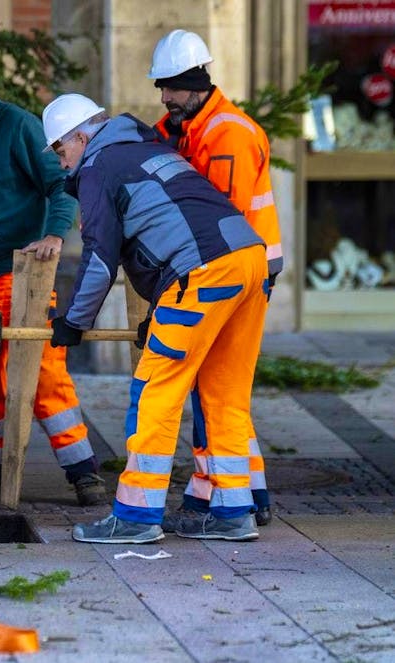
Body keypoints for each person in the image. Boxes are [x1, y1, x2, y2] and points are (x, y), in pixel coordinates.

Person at [41, 93, 268, 543]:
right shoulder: (147, 149)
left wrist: (73, 321)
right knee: (223, 393)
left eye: (60, 151)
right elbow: (172, 222)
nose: (61, 164)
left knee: (154, 392)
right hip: (248, 262)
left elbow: (100, 257)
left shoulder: (98, 167)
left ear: (82, 137)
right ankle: (232, 510)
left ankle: (135, 516)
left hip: (202, 273)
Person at [148, 29, 282, 527]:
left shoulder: (229, 135)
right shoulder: (187, 125)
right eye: (161, 87)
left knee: (218, 389)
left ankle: (226, 502)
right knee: (223, 388)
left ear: (197, 82)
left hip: (235, 271)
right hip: (242, 270)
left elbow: (215, 218)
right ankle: (248, 495)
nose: (164, 97)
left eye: (172, 87)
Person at [0, 93, 106, 506]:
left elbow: (63, 181)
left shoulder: (17, 126)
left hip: (20, 272)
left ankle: (82, 469)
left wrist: (53, 235)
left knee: (42, 369)